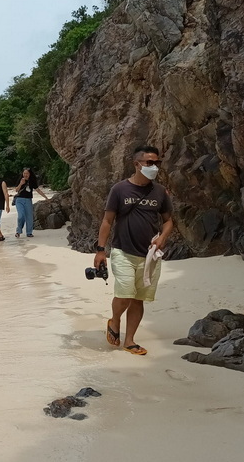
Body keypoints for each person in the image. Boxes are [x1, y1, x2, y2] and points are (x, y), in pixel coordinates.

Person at [93, 145, 174, 356]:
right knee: (126, 293)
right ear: (136, 164)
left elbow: (168, 221)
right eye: (149, 162)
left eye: (156, 163)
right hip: (122, 251)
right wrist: (101, 250)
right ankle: (115, 319)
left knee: (138, 298)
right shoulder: (119, 190)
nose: (153, 166)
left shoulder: (159, 192)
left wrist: (163, 238)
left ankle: (129, 341)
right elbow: (107, 220)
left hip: (149, 255)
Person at [14, 167, 48, 238]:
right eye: (24, 173)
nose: (25, 175)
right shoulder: (20, 180)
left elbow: (38, 190)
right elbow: (16, 190)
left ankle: (29, 232)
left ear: (30, 174)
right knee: (21, 216)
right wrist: (20, 184)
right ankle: (18, 231)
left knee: (29, 217)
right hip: (19, 200)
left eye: (27, 173)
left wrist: (45, 197)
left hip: (28, 200)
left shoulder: (32, 181)